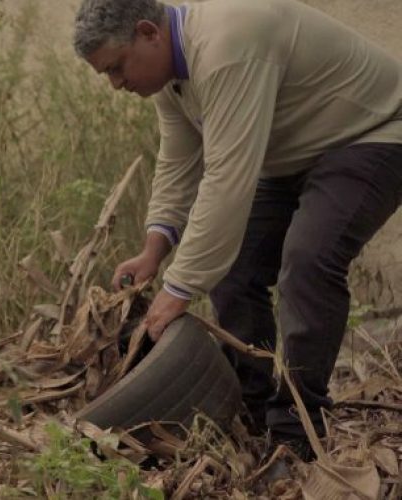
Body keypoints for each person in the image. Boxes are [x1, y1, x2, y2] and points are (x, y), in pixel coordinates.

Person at [73, 0, 402, 459]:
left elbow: (227, 178)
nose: (115, 83)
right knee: (234, 269)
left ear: (149, 33)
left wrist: (178, 288)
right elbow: (178, 162)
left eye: (116, 67)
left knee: (308, 261)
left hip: (374, 132)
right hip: (292, 155)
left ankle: (297, 429)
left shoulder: (227, 44)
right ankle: (253, 407)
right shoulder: (173, 76)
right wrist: (155, 248)